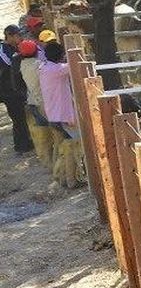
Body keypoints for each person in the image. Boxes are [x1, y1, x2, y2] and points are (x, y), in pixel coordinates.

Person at [37, 41, 82, 188]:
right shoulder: (57, 70)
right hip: (61, 115)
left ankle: (60, 178)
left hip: (52, 114)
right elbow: (76, 64)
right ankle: (70, 181)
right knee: (70, 149)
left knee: (60, 147)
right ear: (60, 56)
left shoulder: (43, 68)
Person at [17, 38, 56, 173]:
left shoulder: (23, 65)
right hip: (44, 103)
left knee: (43, 134)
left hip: (32, 101)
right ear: (36, 52)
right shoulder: (40, 66)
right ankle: (57, 164)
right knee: (55, 133)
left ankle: (47, 162)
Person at [0, 25, 34, 156]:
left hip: (15, 89)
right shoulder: (4, 50)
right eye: (17, 35)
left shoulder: (14, 48)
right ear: (9, 36)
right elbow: (10, 63)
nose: (19, 37)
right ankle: (21, 146)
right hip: (7, 90)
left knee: (20, 116)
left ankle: (25, 143)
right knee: (17, 118)